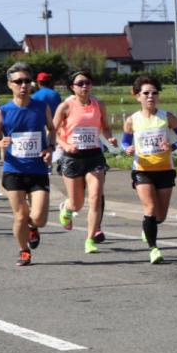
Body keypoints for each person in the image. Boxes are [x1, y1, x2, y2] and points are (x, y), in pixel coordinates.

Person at [0, 62, 55, 266]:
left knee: (39, 218)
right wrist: (0, 142)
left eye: (26, 81)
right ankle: (24, 250)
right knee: (20, 216)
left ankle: (33, 229)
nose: (23, 85)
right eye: (18, 81)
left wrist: (50, 148)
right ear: (10, 84)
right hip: (14, 170)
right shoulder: (3, 111)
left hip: (38, 170)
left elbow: (52, 129)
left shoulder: (41, 107)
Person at [121, 75, 177, 264]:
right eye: (146, 93)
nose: (150, 96)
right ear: (137, 96)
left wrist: (173, 147)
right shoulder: (132, 120)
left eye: (154, 93)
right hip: (142, 170)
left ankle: (148, 227)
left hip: (165, 170)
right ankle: (154, 249)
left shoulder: (167, 117)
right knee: (150, 208)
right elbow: (125, 140)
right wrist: (127, 148)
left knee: (161, 215)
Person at [52, 69, 116, 254]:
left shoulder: (98, 104)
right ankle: (67, 208)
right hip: (72, 157)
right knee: (77, 203)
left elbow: (106, 127)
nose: (85, 86)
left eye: (87, 82)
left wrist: (110, 138)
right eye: (80, 83)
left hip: (94, 155)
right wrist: (64, 144)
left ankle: (90, 239)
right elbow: (52, 131)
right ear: (72, 87)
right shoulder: (65, 107)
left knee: (95, 198)